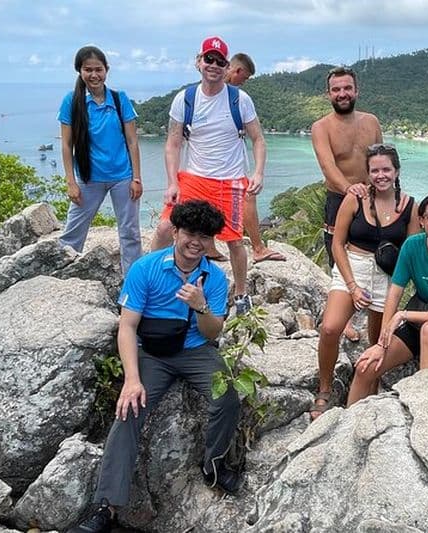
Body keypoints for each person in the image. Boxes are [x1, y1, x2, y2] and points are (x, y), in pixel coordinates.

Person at [67, 200, 240, 533]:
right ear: (175, 231)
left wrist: (201, 306)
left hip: (195, 350)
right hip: (152, 354)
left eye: (204, 237)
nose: (196, 243)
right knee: (128, 411)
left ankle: (214, 464)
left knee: (227, 396)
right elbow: (127, 326)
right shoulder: (146, 269)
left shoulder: (214, 278)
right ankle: (106, 507)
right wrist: (132, 379)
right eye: (190, 233)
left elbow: (213, 332)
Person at [150, 36, 266, 316]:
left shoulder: (239, 99)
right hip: (193, 179)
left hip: (230, 181)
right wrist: (172, 182)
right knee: (165, 228)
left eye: (219, 61)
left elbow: (258, 139)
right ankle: (150, 278)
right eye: (208, 59)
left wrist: (258, 172)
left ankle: (241, 294)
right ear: (198, 61)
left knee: (234, 241)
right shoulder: (185, 99)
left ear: (227, 67)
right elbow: (173, 143)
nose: (213, 65)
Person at [312, 144, 418, 419]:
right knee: (330, 328)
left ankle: (369, 389)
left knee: (378, 340)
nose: (381, 175)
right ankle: (325, 388)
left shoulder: (409, 206)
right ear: (367, 173)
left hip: (387, 275)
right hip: (353, 266)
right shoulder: (355, 199)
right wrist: (352, 286)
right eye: (375, 170)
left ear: (396, 171)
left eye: (386, 169)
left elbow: (411, 251)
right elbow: (337, 244)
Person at [347, 193, 428, 405]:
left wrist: (403, 315)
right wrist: (382, 343)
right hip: (419, 324)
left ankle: (425, 409)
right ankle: (348, 423)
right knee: (365, 366)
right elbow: (394, 294)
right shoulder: (412, 246)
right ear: (421, 220)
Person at [311, 67, 382, 342]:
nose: (342, 94)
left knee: (376, 253)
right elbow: (327, 165)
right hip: (340, 198)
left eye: (347, 88)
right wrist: (350, 190)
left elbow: (381, 160)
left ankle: (377, 313)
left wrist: (388, 192)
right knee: (338, 252)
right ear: (328, 94)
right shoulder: (321, 127)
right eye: (336, 89)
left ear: (356, 90)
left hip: (372, 198)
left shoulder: (371, 122)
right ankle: (345, 319)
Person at [57, 45, 142, 275]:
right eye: (88, 70)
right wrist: (70, 182)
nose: (94, 75)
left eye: (98, 69)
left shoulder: (119, 99)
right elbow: (66, 145)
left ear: (106, 70)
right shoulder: (72, 102)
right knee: (73, 231)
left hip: (122, 176)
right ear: (80, 71)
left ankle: (133, 281)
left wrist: (136, 178)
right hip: (88, 177)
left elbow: (132, 141)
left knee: (130, 233)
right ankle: (60, 274)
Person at [205, 52, 286, 264]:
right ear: (237, 71)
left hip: (215, 162)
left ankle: (210, 246)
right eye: (245, 77)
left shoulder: (214, 91)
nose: (245, 82)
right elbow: (257, 137)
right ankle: (257, 248)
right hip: (225, 164)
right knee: (247, 197)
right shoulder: (233, 96)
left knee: (213, 201)